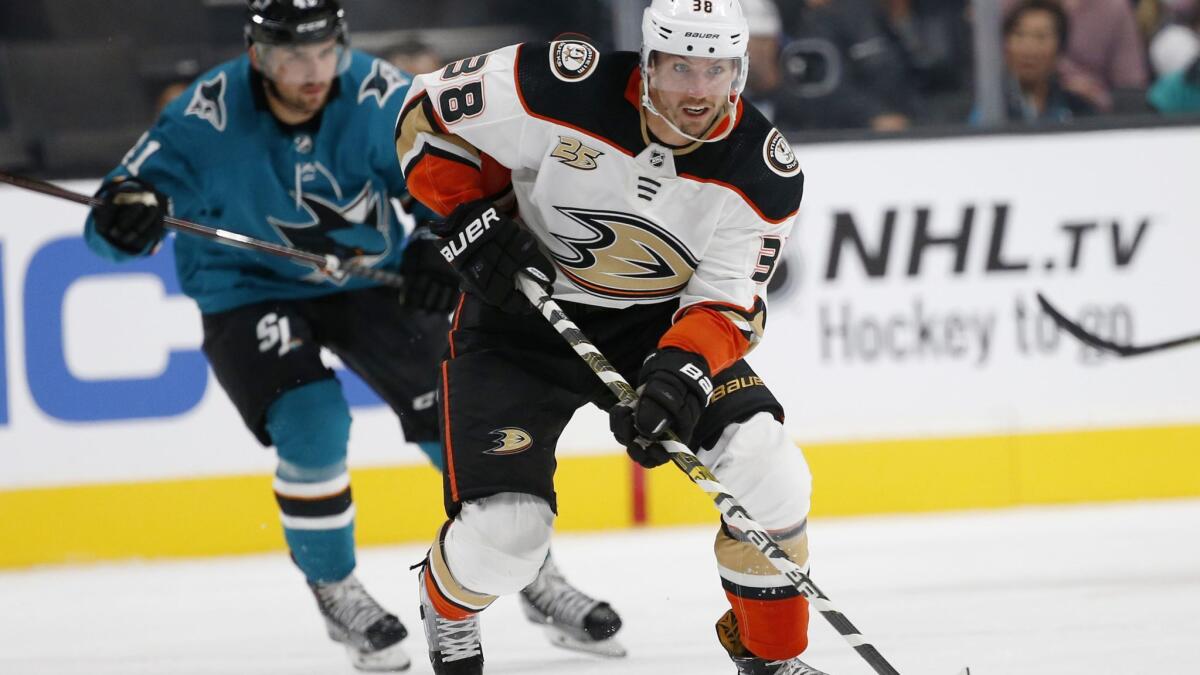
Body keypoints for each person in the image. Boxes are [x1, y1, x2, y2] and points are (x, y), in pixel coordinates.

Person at [81, 1, 623, 671]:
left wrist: (435, 242)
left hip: (370, 279)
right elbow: (115, 210)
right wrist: (120, 224)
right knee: (311, 421)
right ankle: (337, 588)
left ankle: (532, 575)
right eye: (290, 58)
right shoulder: (203, 116)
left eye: (323, 52)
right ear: (258, 56)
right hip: (247, 289)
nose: (312, 73)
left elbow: (447, 185)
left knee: (453, 418)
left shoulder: (378, 94)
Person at [395, 1, 818, 673]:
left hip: (655, 326)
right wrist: (470, 216)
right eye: (681, 67)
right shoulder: (560, 86)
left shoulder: (762, 172)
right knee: (509, 537)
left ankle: (769, 658)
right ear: (647, 63)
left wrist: (681, 371)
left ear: (739, 71)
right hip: (518, 317)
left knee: (770, 473)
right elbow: (423, 116)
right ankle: (444, 604)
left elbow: (726, 305)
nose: (699, 92)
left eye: (717, 70)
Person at [987, 0, 1097, 124]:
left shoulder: (1080, 111)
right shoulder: (983, 108)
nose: (1028, 49)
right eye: (1019, 34)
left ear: (1060, 48)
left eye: (1041, 37)